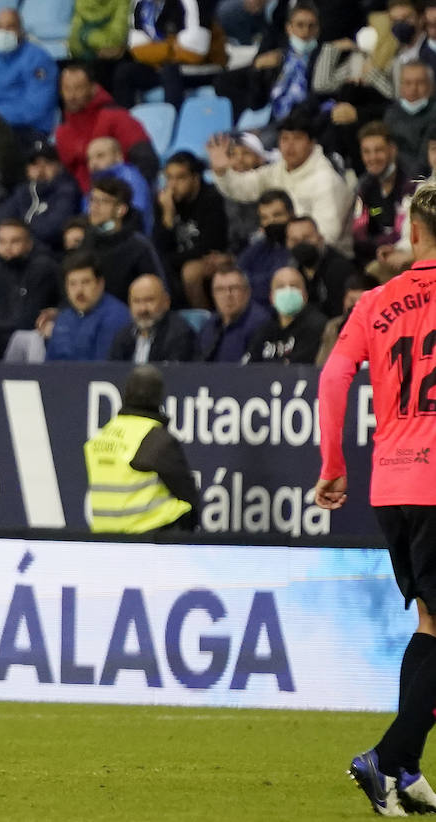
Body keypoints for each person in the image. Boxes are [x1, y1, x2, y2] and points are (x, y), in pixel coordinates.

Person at [317, 179, 436, 817]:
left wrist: (334, 464)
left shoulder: (375, 301)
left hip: (392, 480)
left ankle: (406, 769)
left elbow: (334, 379)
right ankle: (386, 759)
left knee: (430, 622)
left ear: (413, 233)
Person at [207, 112, 354, 249]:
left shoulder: (326, 180)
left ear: (311, 143)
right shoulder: (278, 170)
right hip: (282, 249)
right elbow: (245, 188)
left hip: (322, 257)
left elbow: (328, 236)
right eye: (284, 139)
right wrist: (222, 172)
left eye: (297, 138)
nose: (290, 146)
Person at [85, 365, 198, 533]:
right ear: (159, 398)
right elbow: (189, 495)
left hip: (103, 536)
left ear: (126, 394)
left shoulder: (102, 436)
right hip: (147, 537)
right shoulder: (156, 439)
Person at [55, 63, 158, 192]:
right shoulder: (62, 132)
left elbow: (146, 160)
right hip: (80, 202)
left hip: (118, 196)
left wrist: (128, 194)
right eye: (67, 89)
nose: (72, 96)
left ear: (93, 88)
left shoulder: (117, 118)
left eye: (78, 88)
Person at [0, 219, 61, 358]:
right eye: (2, 241)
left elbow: (29, 320)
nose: (7, 247)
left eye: (15, 241)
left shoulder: (42, 268)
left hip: (34, 341)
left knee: (28, 337)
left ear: (29, 244)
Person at [154, 151, 229, 308]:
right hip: (177, 259)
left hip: (214, 258)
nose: (172, 185)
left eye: (180, 178)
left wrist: (168, 260)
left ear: (195, 178)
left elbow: (209, 245)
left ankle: (204, 320)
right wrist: (167, 215)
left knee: (190, 272)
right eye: (169, 178)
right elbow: (158, 247)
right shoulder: (165, 202)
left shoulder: (211, 199)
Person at [0, 8, 59, 139]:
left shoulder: (38, 59)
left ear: (21, 30)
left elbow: (36, 108)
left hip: (28, 129)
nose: (3, 32)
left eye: (10, 27)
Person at [0, 140, 81, 254]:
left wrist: (18, 235)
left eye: (47, 163)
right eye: (34, 164)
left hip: (50, 254)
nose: (40, 170)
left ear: (59, 166)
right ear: (27, 170)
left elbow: (53, 230)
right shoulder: (23, 191)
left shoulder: (66, 190)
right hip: (17, 253)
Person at [86, 175, 165, 303]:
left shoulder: (138, 247)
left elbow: (158, 290)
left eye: (104, 201)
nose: (94, 207)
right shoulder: (87, 240)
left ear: (121, 210)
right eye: (93, 200)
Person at [42, 252, 131, 361]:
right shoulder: (64, 317)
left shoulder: (116, 317)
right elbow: (49, 365)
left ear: (100, 284)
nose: (79, 290)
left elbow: (104, 370)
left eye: (86, 282)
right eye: (72, 284)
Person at [353, 122, 417, 268]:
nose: (372, 158)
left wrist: (378, 244)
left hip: (406, 256)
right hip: (376, 257)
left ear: (392, 150)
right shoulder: (364, 186)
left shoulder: (410, 184)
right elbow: (359, 235)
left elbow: (401, 232)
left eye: (379, 150)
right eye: (366, 152)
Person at [108, 273, 198, 363]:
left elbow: (175, 374)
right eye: (136, 301)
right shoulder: (123, 335)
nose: (142, 309)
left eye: (149, 300)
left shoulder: (180, 334)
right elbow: (112, 372)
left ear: (166, 302)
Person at [246, 266, 326, 364]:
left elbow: (300, 367)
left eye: (294, 286)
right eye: (280, 286)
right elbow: (248, 367)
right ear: (271, 298)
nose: (288, 291)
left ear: (305, 295)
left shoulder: (317, 326)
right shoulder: (265, 330)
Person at [286, 215, 358, 317]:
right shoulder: (291, 268)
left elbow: (339, 313)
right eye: (295, 241)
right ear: (287, 243)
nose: (301, 244)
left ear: (320, 238)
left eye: (306, 238)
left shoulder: (339, 268)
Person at [199, 262, 271, 362]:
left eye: (234, 288)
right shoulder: (210, 325)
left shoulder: (261, 325)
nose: (228, 295)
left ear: (247, 292)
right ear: (213, 295)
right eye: (220, 289)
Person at [240, 189, 297, 306]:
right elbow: (237, 274)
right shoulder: (260, 245)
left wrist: (249, 281)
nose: (271, 222)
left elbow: (276, 283)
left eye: (277, 215)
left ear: (292, 215)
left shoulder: (297, 246)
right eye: (265, 218)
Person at [85, 136, 152, 234]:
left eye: (100, 156)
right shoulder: (95, 183)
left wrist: (101, 232)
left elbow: (135, 218)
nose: (93, 163)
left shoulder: (131, 179)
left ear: (118, 156)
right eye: (89, 159)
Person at [385, 63, 436, 174]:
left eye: (420, 82)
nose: (413, 88)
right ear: (401, 86)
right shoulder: (391, 113)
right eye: (408, 83)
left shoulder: (434, 114)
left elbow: (424, 162)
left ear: (431, 86)